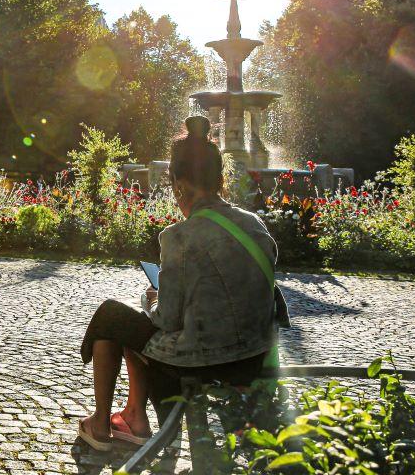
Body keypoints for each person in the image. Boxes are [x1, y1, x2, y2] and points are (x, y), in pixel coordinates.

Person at [76, 116, 279, 450]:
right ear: (219, 179)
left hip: (207, 358)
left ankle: (101, 425)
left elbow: (166, 320)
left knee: (112, 316)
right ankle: (133, 416)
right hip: (255, 356)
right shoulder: (254, 225)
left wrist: (152, 298)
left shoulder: (179, 236)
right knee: (130, 326)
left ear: (179, 185)